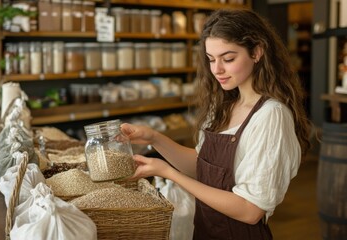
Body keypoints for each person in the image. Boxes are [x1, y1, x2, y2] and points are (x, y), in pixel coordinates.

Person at [121, 8, 311, 240]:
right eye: (211, 59)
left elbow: (250, 210)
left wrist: (169, 173)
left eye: (228, 59)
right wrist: (154, 138)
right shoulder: (223, 106)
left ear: (256, 52)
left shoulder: (271, 116)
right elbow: (202, 167)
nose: (217, 70)